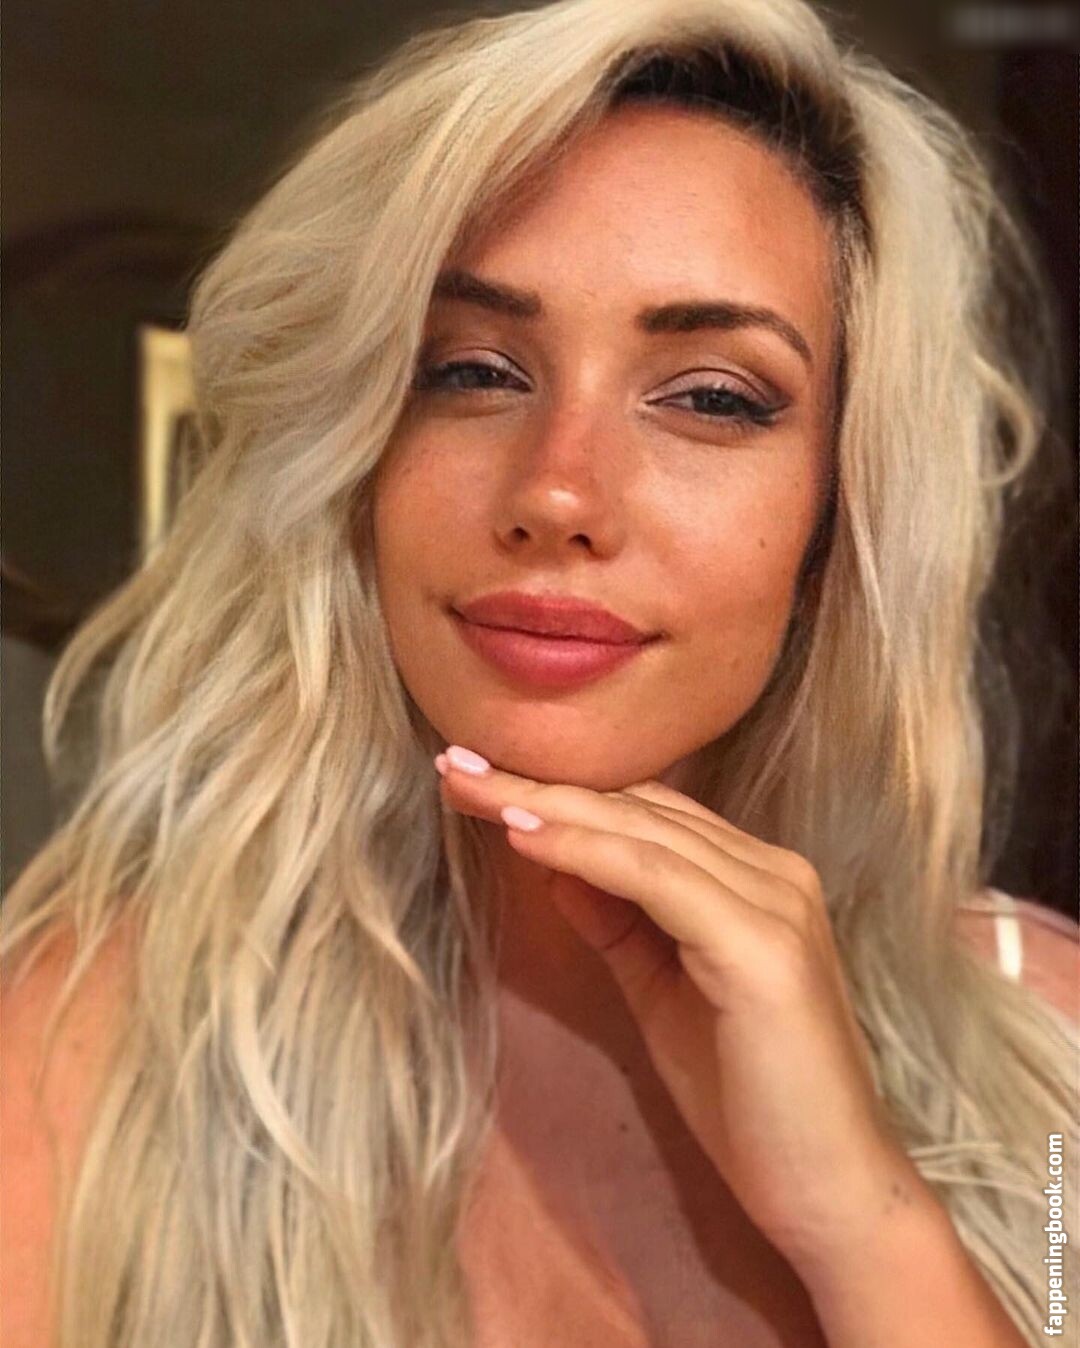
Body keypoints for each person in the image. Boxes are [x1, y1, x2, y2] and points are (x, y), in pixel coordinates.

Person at [2, 0, 1077, 1344]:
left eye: (712, 396)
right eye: (471, 371)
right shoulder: (80, 1057)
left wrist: (868, 1220)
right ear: (357, 459)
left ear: (839, 510)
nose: (559, 490)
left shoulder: (1054, 1068)